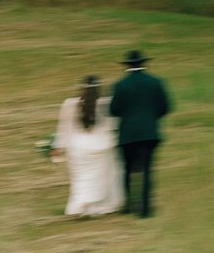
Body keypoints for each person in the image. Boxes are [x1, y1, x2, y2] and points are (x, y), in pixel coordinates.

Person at [106, 48, 172, 219]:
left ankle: (129, 204)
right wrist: (151, 117)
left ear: (127, 66)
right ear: (144, 63)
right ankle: (145, 209)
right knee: (147, 170)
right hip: (149, 133)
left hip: (127, 134)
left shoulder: (120, 85)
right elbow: (166, 107)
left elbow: (113, 110)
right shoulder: (156, 82)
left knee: (127, 170)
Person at [49, 74, 123, 218]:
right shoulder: (106, 103)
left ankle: (81, 203)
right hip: (102, 146)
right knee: (101, 178)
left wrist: (58, 147)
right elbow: (113, 125)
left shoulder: (70, 104)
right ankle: (94, 205)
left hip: (79, 147)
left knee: (80, 178)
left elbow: (64, 128)